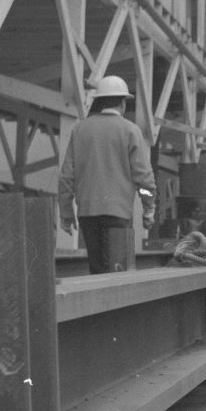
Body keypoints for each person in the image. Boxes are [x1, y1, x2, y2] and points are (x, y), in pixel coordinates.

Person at [58, 75, 157, 274]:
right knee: (117, 269)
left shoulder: (80, 130)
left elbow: (67, 177)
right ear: (122, 102)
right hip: (118, 213)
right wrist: (148, 208)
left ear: (99, 100)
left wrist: (66, 214)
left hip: (88, 212)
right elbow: (144, 180)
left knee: (97, 269)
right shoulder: (130, 130)